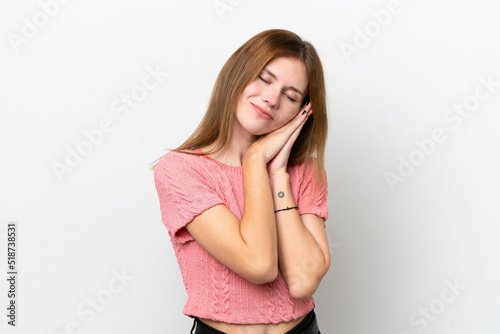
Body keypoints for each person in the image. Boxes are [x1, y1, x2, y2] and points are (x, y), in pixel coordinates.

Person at [152, 29, 330, 334]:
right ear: (237, 74)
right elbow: (259, 265)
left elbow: (303, 281)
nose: (272, 99)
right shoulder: (180, 170)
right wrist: (254, 161)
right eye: (264, 78)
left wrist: (276, 175)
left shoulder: (305, 172)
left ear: (301, 113)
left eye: (290, 96)